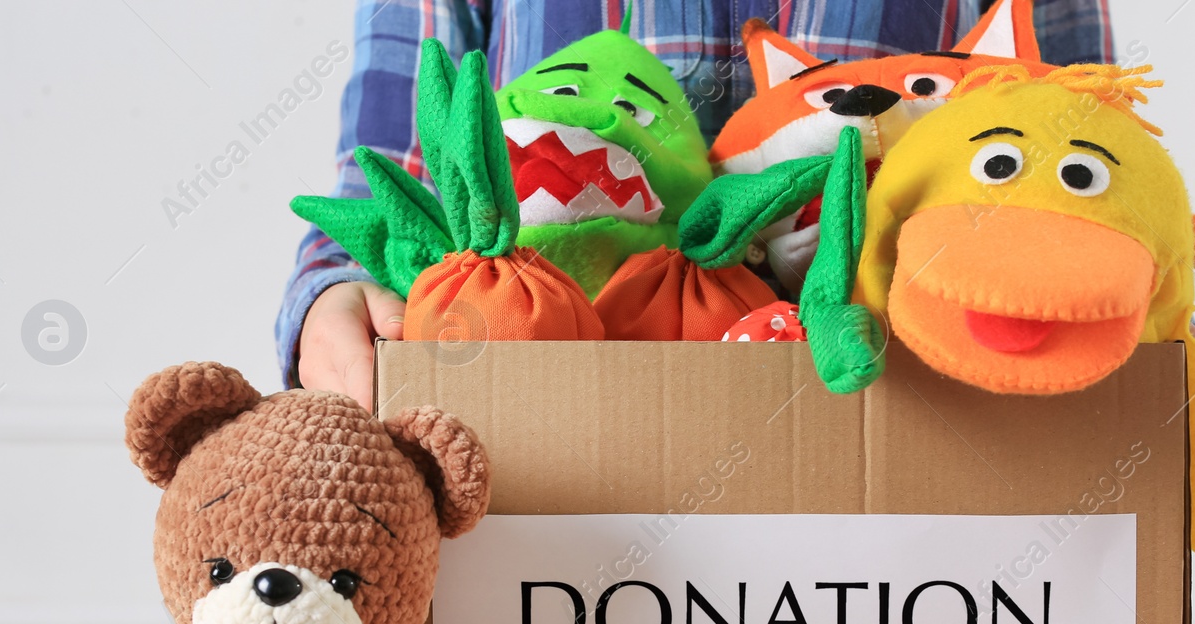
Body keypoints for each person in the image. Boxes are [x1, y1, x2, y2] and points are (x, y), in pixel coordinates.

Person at [278, 0, 1115, 407]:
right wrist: (336, 286)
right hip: (544, 406)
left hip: (908, 400)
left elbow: (1084, 129)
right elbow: (400, 143)